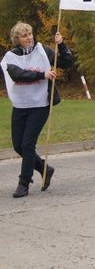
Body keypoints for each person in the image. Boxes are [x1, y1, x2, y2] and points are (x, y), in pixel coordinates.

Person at [1, 22, 73, 198]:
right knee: (19, 146)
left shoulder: (43, 50)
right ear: (17, 39)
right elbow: (18, 75)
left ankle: (24, 182)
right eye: (25, 35)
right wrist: (42, 75)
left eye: (30, 34)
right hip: (20, 106)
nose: (30, 37)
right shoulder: (10, 57)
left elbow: (66, 62)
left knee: (27, 145)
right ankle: (44, 168)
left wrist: (61, 44)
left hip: (40, 105)